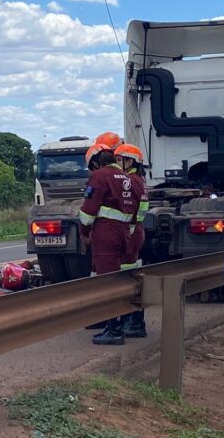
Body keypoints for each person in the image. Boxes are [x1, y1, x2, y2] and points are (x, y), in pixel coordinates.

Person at [79, 143, 144, 345]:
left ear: (96, 163)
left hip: (106, 233)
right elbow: (136, 209)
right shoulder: (128, 178)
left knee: (108, 281)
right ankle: (123, 322)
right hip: (125, 231)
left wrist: (85, 231)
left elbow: (88, 209)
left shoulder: (100, 176)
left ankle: (114, 330)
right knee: (122, 278)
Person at [114, 143, 149, 338]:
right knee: (130, 273)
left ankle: (134, 321)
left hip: (132, 231)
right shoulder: (136, 179)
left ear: (130, 161)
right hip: (134, 230)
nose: (118, 163)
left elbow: (141, 206)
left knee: (129, 276)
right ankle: (133, 320)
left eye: (120, 160)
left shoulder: (132, 180)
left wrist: (133, 224)